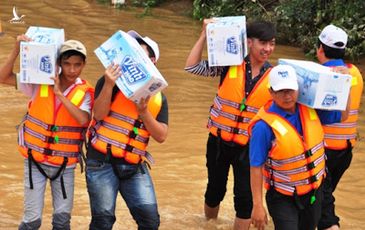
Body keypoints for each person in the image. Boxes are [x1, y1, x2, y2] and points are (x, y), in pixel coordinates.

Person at [185, 19, 276, 229]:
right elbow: (192, 67)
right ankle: (209, 224)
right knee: (215, 190)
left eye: (272, 43)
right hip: (219, 140)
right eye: (263, 43)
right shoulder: (229, 63)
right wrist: (204, 35)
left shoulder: (276, 76)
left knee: (244, 199)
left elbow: (295, 99)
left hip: (250, 146)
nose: (268, 49)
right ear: (249, 42)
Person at [0, 36, 94, 230]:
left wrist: (59, 93)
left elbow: (84, 120)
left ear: (84, 64)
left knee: (62, 222)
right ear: (59, 62)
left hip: (65, 165)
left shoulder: (86, 91)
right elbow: (3, 78)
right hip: (35, 160)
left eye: (77, 65)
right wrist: (16, 50)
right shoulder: (40, 80)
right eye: (67, 64)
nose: (72, 69)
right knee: (32, 220)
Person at [249, 64, 349, 230]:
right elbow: (255, 167)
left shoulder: (310, 110)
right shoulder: (263, 127)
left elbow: (343, 115)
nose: (287, 95)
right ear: (271, 92)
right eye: (281, 91)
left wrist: (344, 84)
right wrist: (257, 205)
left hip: (313, 193)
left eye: (291, 89)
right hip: (283, 197)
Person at [86, 30, 168, 230]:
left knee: (150, 221)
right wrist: (108, 84)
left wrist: (144, 112)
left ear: (152, 62)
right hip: (101, 160)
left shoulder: (158, 98)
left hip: (133, 165)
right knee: (102, 222)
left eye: (141, 54)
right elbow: (98, 114)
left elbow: (161, 136)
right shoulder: (109, 82)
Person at [316, 25, 364, 230]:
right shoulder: (355, 73)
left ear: (320, 49)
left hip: (322, 152)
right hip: (344, 153)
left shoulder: (319, 76)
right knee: (318, 204)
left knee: (325, 213)